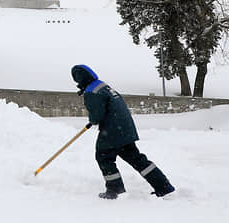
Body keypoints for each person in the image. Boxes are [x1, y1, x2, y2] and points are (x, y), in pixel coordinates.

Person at [71, 64, 175, 199]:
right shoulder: (103, 86)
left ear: (80, 79)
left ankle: (114, 189)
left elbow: (97, 115)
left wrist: (92, 120)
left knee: (103, 157)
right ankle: (163, 186)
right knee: (137, 159)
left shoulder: (92, 92)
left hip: (112, 130)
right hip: (125, 128)